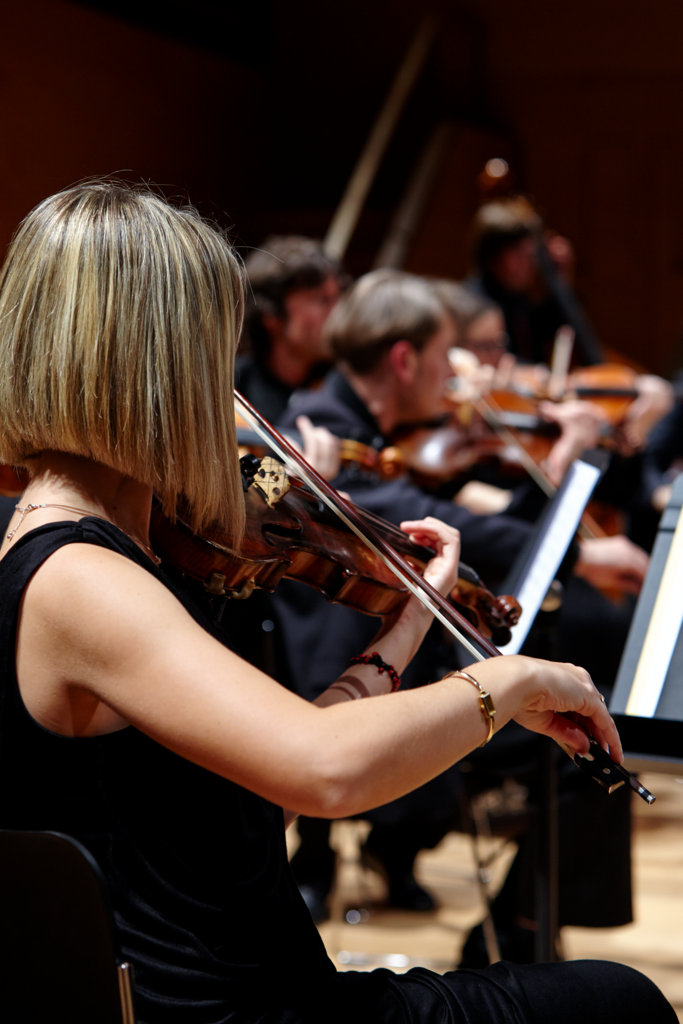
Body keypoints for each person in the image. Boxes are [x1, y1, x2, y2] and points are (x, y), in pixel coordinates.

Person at [0, 181, 675, 1024]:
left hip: (266, 993)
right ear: (158, 367)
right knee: (618, 1003)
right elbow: (325, 771)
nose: (227, 391)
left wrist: (405, 628)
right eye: (212, 353)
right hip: (243, 1013)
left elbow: (253, 807)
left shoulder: (107, 548)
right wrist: (509, 683)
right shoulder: (82, 578)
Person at [276, 268, 648, 954]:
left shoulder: (384, 436)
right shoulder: (318, 434)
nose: (456, 380)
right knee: (587, 734)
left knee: (588, 716)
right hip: (346, 689)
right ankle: (514, 930)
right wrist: (578, 544)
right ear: (403, 359)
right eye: (445, 358)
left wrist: (563, 461)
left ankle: (514, 927)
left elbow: (484, 522)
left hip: (404, 667)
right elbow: (433, 523)